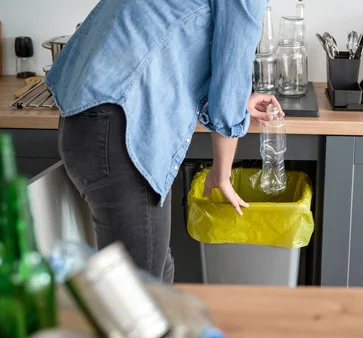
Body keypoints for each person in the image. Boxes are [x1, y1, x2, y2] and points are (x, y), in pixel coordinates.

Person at [45, 0, 282, 284]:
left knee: (157, 274)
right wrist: (222, 173)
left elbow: (170, 40)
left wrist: (238, 102)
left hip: (90, 121)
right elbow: (230, 77)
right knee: (139, 294)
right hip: (123, 129)